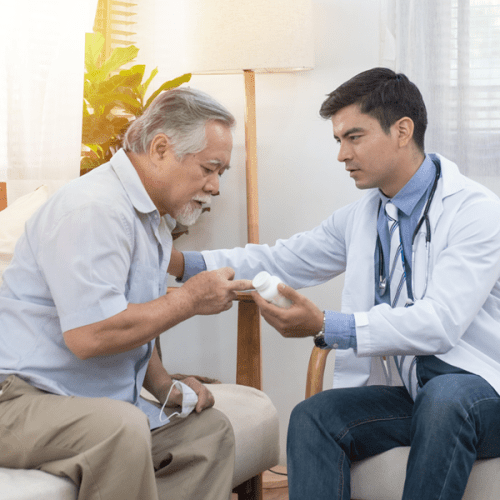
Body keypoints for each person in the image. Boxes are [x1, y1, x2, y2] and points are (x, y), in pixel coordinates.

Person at [169, 68, 500, 499]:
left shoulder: (475, 211)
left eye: (354, 137)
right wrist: (180, 262)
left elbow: (441, 323)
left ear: (403, 131)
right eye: (338, 140)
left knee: (447, 397)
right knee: (314, 417)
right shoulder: (364, 215)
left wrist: (327, 325)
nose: (342, 154)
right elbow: (282, 258)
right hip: (414, 397)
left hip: (481, 394)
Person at [0, 87, 253, 500]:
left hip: (83, 403)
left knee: (209, 432)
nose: (216, 186)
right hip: (17, 401)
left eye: (220, 172)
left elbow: (129, 317)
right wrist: (187, 300)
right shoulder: (94, 209)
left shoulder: (149, 218)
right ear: (159, 149)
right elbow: (91, 334)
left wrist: (164, 385)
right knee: (121, 427)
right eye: (210, 168)